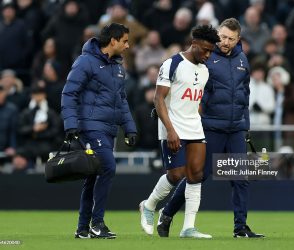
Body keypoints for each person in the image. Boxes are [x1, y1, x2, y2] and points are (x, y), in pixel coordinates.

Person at [156, 18, 264, 238]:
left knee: (240, 178)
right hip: (210, 127)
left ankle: (240, 228)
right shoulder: (205, 57)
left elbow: (245, 95)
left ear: (238, 40)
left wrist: (246, 126)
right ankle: (167, 213)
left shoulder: (243, 60)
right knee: (198, 175)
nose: (224, 42)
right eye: (222, 36)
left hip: (235, 129)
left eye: (230, 39)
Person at [139, 24, 220, 238]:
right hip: (172, 125)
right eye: (205, 49)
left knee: (196, 175)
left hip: (194, 125)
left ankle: (188, 228)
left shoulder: (204, 71)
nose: (208, 55)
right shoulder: (172, 63)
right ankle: (149, 205)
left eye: (211, 51)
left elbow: (194, 100)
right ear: (194, 44)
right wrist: (170, 131)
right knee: (176, 174)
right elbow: (158, 98)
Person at [61, 23, 137, 239]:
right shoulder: (85, 62)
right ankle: (97, 223)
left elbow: (122, 100)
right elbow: (69, 93)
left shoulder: (118, 67)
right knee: (108, 167)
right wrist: (71, 124)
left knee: (93, 177)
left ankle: (83, 228)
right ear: (113, 40)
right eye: (124, 41)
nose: (127, 45)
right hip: (91, 126)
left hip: (108, 129)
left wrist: (129, 128)